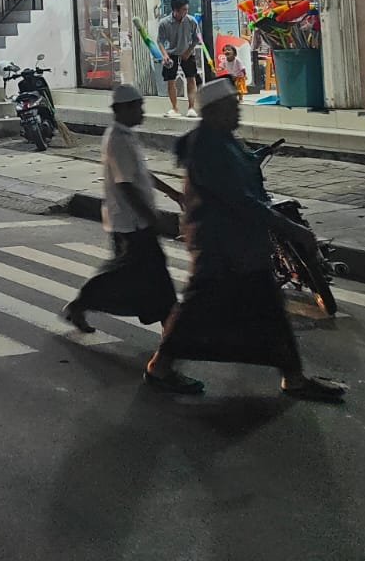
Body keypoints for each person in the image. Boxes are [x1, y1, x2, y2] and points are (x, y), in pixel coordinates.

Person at [144, 79, 345, 401]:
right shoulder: (208, 148)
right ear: (213, 112)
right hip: (220, 247)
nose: (238, 111)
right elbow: (240, 199)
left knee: (269, 311)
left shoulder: (224, 141)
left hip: (241, 246)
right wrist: (292, 229)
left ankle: (293, 377)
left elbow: (249, 180)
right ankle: (160, 367)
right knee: (197, 310)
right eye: (231, 106)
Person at [62, 85, 183, 332]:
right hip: (131, 223)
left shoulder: (126, 136)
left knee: (140, 276)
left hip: (136, 221)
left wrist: (171, 192)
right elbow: (126, 184)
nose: (142, 112)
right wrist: (151, 217)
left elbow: (141, 174)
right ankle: (83, 303)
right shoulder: (117, 139)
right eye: (138, 107)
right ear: (125, 109)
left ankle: (168, 329)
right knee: (131, 275)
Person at [157, 0, 202, 118]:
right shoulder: (164, 23)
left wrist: (188, 51)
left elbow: (196, 38)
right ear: (175, 10)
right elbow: (160, 41)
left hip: (187, 52)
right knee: (171, 81)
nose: (186, 12)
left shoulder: (192, 21)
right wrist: (165, 55)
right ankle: (174, 108)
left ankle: (191, 107)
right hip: (171, 54)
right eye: (184, 9)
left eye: (187, 9)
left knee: (191, 78)